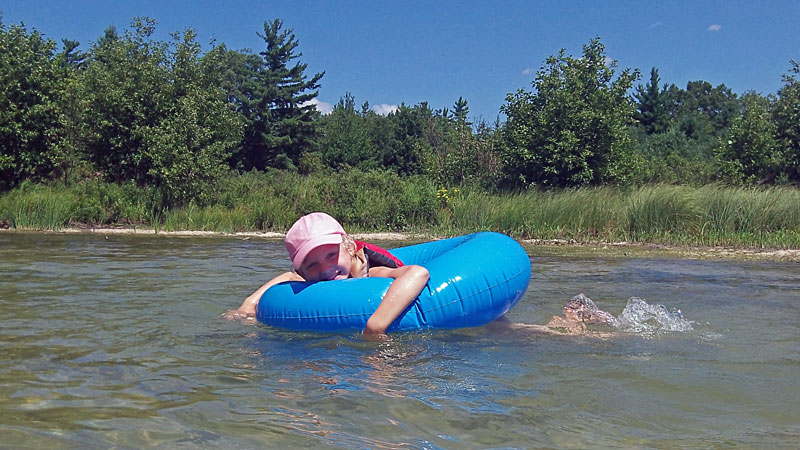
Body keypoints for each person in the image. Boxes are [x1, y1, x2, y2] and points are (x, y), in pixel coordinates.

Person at [224, 212, 430, 338]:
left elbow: (417, 273)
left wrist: (375, 326)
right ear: (302, 271)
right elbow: (287, 278)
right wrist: (249, 304)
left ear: (349, 248)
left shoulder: (369, 270)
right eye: (312, 264)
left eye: (331, 255)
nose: (325, 269)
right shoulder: (308, 278)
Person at [490, 293, 617, 336]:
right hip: (545, 334)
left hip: (550, 334)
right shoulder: (559, 320)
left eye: (571, 307)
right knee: (503, 326)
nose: (566, 308)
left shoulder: (578, 327)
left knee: (504, 327)